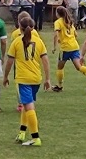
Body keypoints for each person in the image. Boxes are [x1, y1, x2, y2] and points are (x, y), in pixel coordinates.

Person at [4, 16, 51, 147]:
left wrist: (6, 76)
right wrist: (47, 79)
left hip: (23, 79)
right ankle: (22, 132)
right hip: (36, 78)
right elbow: (45, 60)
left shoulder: (16, 42)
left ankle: (35, 138)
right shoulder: (39, 41)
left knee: (29, 106)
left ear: (20, 27)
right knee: (26, 104)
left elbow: (9, 61)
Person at [51, 6, 86, 92]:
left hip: (65, 48)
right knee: (79, 67)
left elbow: (56, 34)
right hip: (74, 46)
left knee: (60, 67)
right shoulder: (69, 21)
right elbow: (76, 34)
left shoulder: (58, 22)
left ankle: (59, 86)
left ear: (58, 14)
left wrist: (54, 47)